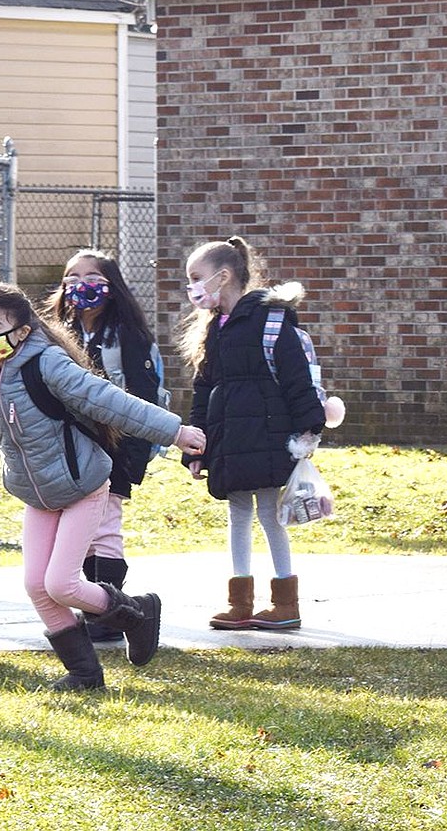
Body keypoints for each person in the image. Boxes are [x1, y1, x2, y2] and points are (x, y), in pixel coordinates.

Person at [0, 282, 207, 691]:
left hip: (82, 485)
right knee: (36, 585)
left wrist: (174, 431)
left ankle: (136, 612)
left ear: (23, 330)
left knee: (61, 584)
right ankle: (84, 674)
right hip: (36, 493)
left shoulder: (48, 364)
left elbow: (109, 401)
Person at [177, 236, 327, 631]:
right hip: (231, 442)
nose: (191, 286)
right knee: (238, 513)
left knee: (271, 515)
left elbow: (296, 380)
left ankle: (284, 601)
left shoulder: (271, 321)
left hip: (268, 437)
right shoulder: (214, 329)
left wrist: (308, 428)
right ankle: (240, 602)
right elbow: (204, 392)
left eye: (196, 277)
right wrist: (197, 447)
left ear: (223, 277)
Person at [44, 249, 163, 642]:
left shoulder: (128, 336)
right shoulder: (57, 334)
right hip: (72, 447)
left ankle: (109, 612)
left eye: (91, 277)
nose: (81, 286)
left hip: (116, 446)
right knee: (83, 529)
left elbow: (143, 395)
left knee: (105, 526)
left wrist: (136, 451)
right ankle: (96, 604)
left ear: (111, 287)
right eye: (72, 278)